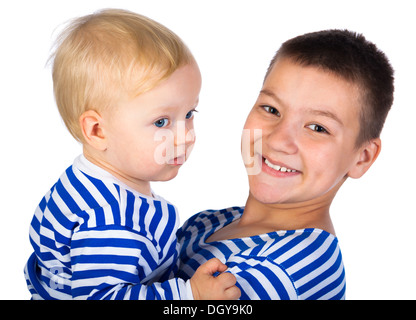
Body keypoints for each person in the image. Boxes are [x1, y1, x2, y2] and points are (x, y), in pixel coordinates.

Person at [24, 9, 240, 300]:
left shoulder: (86, 180)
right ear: (98, 131)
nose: (186, 135)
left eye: (189, 113)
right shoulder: (111, 219)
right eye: (161, 122)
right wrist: (189, 295)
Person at [177, 29, 394, 299]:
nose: (279, 141)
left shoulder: (288, 270)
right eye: (271, 110)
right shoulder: (208, 222)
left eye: (317, 127)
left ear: (362, 157)